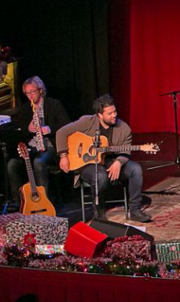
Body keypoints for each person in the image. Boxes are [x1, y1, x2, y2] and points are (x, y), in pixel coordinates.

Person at [56, 94, 151, 222]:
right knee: (100, 175)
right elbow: (61, 133)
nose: (114, 115)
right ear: (99, 115)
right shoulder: (87, 121)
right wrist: (63, 156)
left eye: (115, 111)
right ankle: (99, 213)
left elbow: (126, 149)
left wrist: (119, 161)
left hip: (110, 160)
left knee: (136, 169)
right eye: (110, 113)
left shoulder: (124, 128)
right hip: (87, 164)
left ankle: (135, 210)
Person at [7, 76, 70, 206]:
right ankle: (19, 203)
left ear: (40, 90)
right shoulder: (26, 108)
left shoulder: (54, 104)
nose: (30, 96)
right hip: (32, 146)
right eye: (27, 93)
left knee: (38, 162)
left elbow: (67, 125)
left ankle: (43, 202)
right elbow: (20, 129)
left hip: (50, 145)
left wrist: (49, 129)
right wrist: (28, 129)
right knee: (12, 164)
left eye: (33, 92)